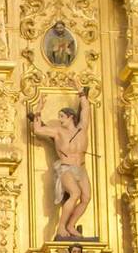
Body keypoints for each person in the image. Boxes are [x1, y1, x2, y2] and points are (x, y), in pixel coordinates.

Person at [29, 83, 92, 239]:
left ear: (71, 117)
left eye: (62, 116)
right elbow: (37, 129)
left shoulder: (82, 128)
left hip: (81, 168)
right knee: (75, 193)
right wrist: (38, 109)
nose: (59, 119)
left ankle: (71, 225)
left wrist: (80, 92)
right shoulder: (58, 132)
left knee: (86, 198)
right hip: (66, 168)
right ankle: (61, 227)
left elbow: (86, 110)